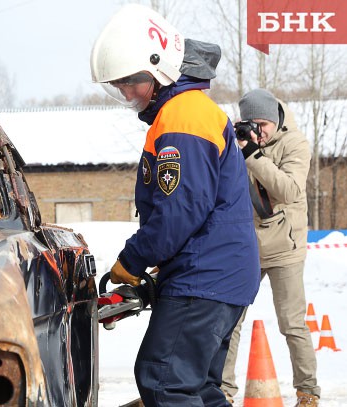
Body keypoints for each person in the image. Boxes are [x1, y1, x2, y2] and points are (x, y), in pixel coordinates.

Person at [90, 5, 260, 406]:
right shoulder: (185, 112)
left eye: (132, 82)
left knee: (164, 381)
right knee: (198, 388)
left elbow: (180, 211)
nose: (127, 93)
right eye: (119, 85)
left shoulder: (183, 118)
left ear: (159, 69)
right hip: (219, 274)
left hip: (206, 276)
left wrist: (132, 260)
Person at [221, 89, 319, 407]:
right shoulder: (238, 143)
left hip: (285, 247)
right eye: (253, 124)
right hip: (247, 246)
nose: (259, 131)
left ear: (276, 120)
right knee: (230, 320)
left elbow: (288, 190)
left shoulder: (295, 143)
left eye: (264, 124)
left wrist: (252, 155)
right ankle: (222, 389)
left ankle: (308, 392)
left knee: (292, 322)